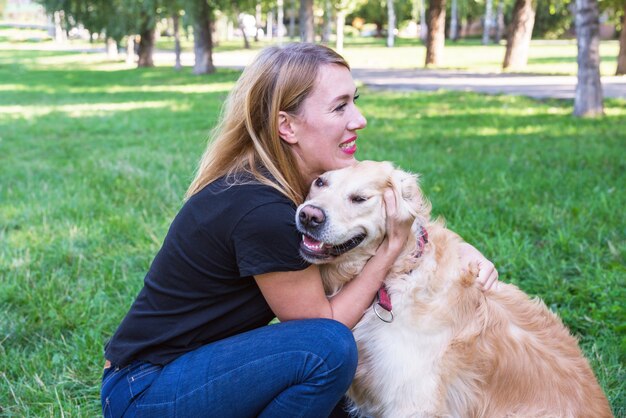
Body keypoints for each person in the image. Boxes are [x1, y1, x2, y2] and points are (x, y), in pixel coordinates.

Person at [101, 43, 498, 417]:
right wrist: (389, 251)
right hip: (145, 393)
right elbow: (324, 325)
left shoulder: (294, 185)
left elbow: (402, 215)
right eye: (339, 106)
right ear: (287, 127)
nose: (358, 120)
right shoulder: (261, 209)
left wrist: (463, 251)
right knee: (328, 350)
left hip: (188, 371)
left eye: (354, 102)